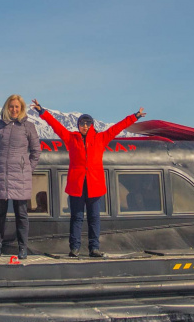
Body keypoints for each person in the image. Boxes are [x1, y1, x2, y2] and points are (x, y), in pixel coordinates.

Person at [33, 101, 145, 257]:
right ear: (78, 125)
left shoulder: (101, 138)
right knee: (76, 217)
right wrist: (42, 111)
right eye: (82, 124)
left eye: (88, 123)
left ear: (92, 125)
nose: (85, 126)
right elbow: (56, 126)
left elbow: (117, 128)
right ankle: (74, 248)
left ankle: (94, 248)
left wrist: (134, 117)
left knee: (94, 218)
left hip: (94, 185)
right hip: (77, 185)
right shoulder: (71, 139)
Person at [0, 94, 42, 258]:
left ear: (21, 108)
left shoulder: (28, 126)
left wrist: (28, 169)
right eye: (11, 106)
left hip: (20, 177)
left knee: (21, 214)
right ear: (6, 108)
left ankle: (22, 247)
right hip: (0, 175)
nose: (14, 110)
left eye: (17, 107)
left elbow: (36, 151)